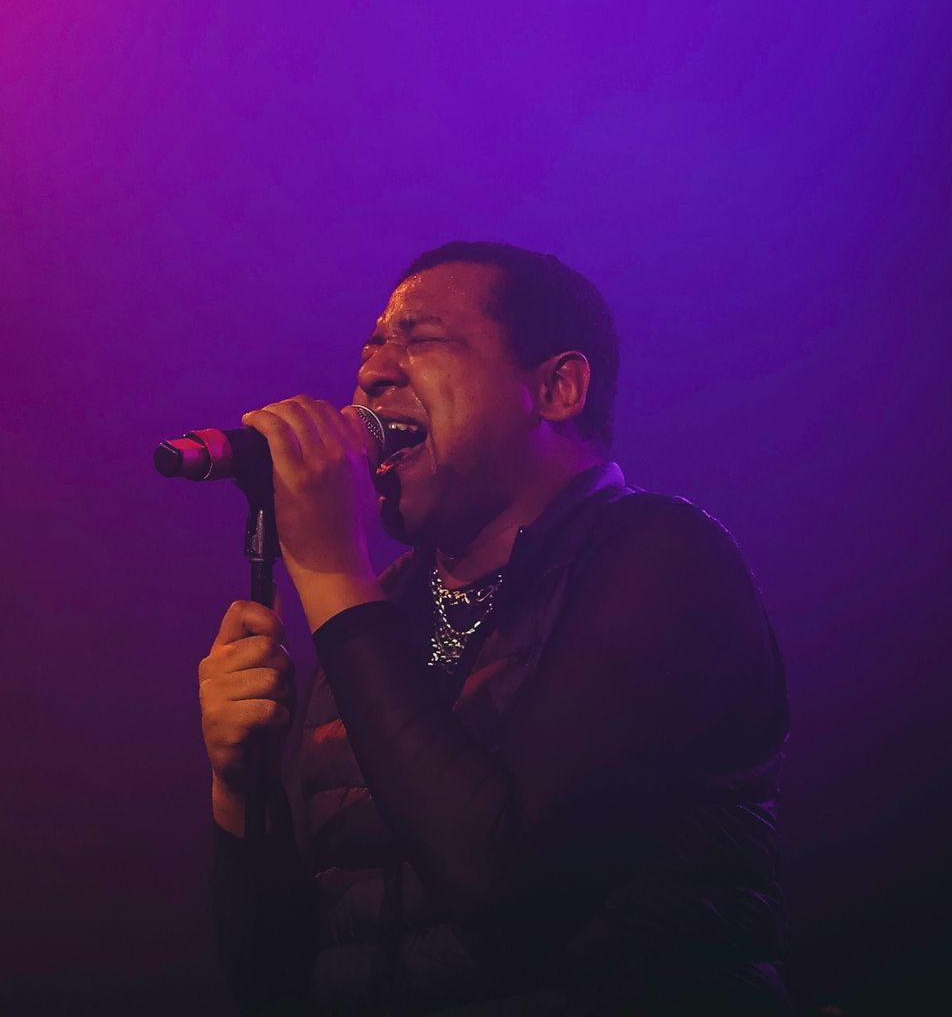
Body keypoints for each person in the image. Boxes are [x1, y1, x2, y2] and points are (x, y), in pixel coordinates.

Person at [198, 242, 789, 1014]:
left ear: (555, 387)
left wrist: (329, 570)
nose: (373, 372)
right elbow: (273, 983)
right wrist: (237, 787)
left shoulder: (659, 556)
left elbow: (499, 873)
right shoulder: (382, 616)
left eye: (420, 338)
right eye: (373, 344)